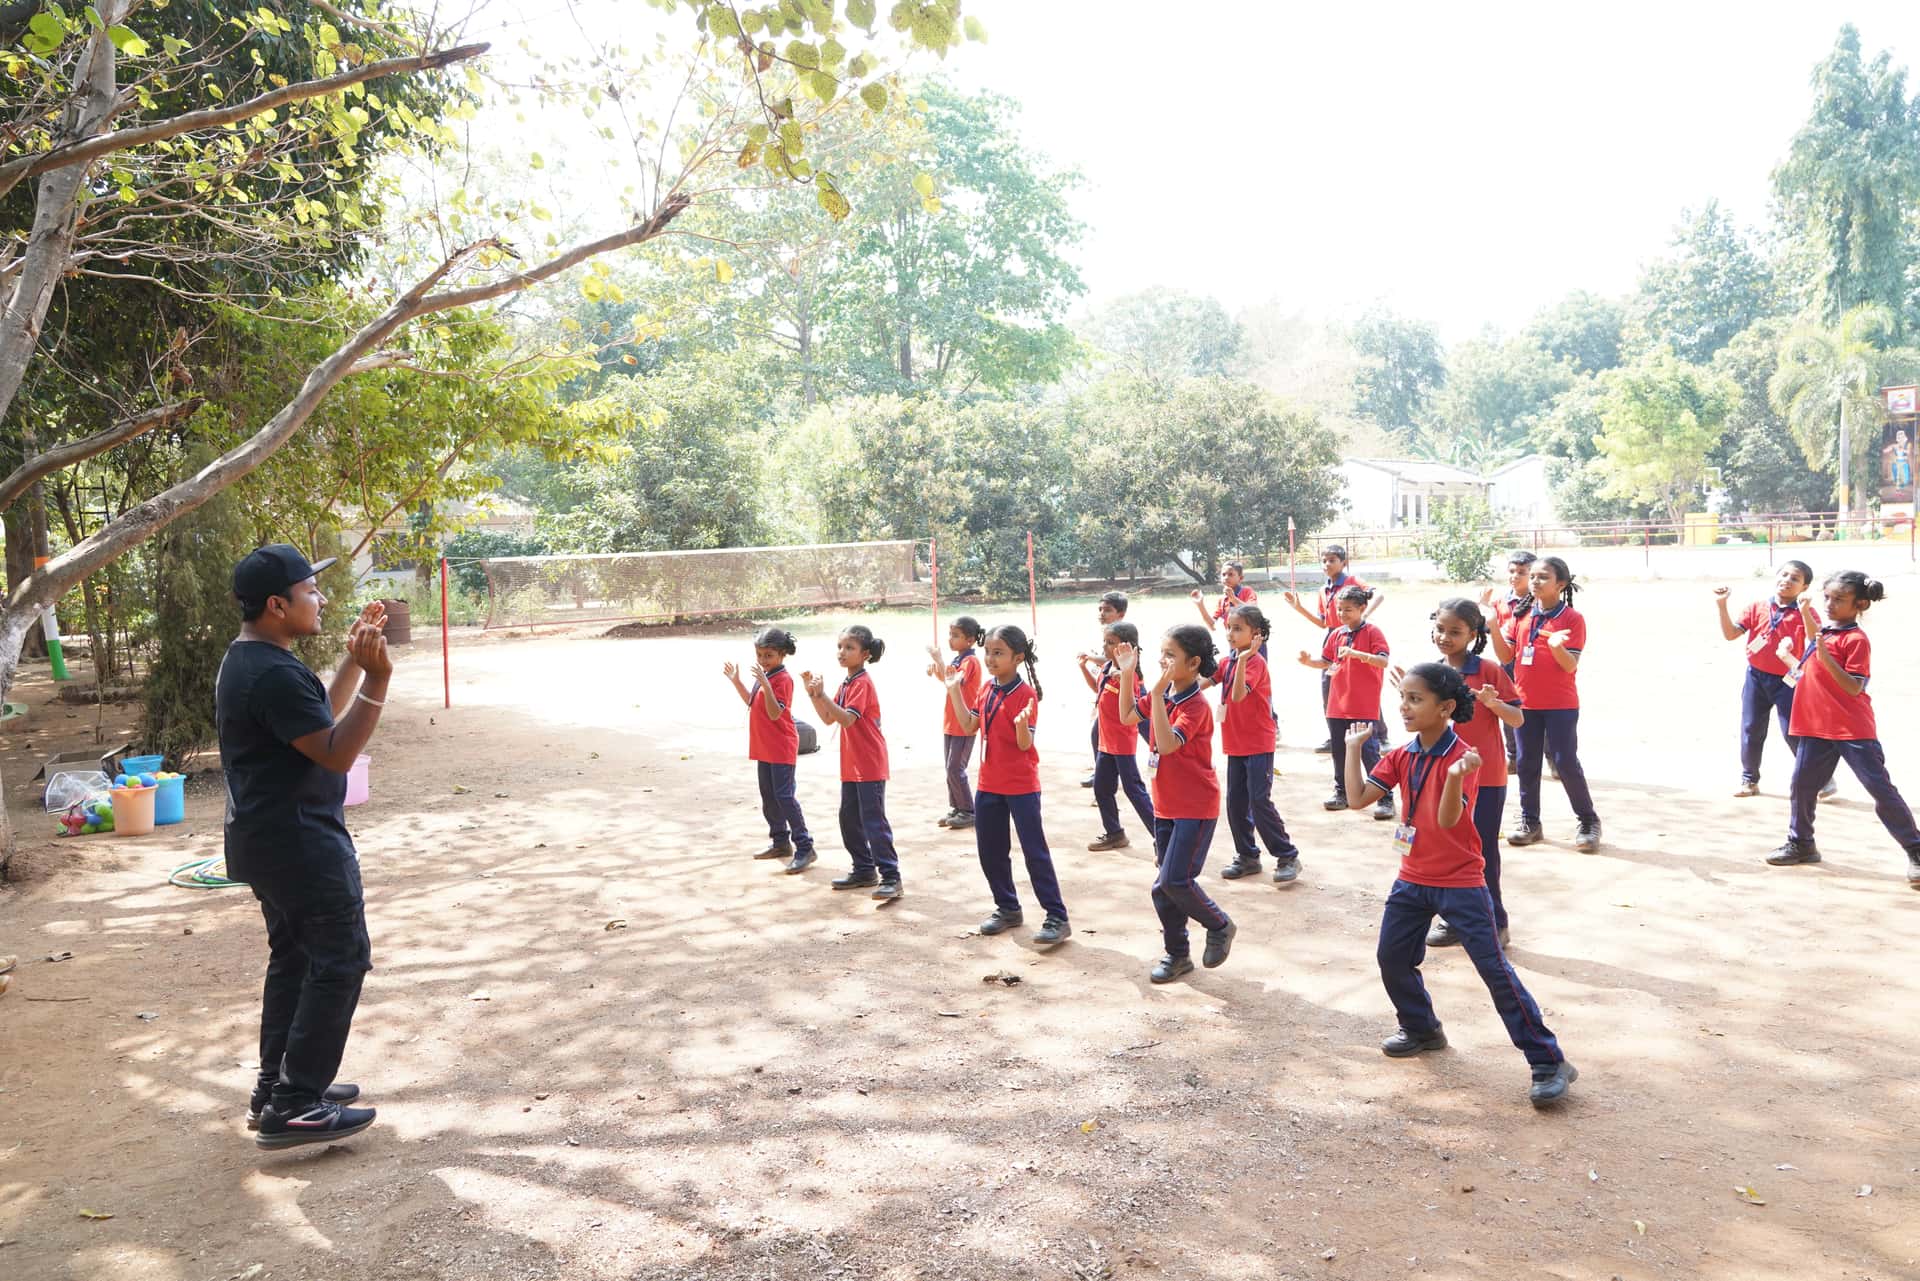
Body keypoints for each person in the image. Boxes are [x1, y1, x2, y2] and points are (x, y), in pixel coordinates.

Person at [1341, 663, 1578, 1108]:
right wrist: (1353, 749)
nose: (1405, 706)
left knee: (1494, 971)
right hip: (1412, 878)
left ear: (1445, 708)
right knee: (1392, 958)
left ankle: (1549, 1062)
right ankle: (1422, 1028)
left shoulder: (1464, 757)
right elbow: (1356, 799)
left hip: (1461, 882)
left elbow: (1450, 820)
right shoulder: (1401, 755)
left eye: (1416, 699)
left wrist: (1453, 779)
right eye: (1404, 697)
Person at [217, 544, 387, 1149]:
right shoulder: (272, 671)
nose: (321, 599)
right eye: (310, 591)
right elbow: (338, 753)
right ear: (276, 604)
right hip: (300, 844)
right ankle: (297, 1104)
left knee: (294, 959)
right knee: (340, 958)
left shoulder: (253, 660)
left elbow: (320, 720)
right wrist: (380, 678)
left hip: (266, 840)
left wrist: (353, 662)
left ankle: (276, 1088)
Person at [1764, 572, 1920, 890]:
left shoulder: (1856, 639)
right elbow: (1814, 642)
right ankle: (1802, 843)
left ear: (1859, 604)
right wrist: (1810, 619)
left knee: (1880, 789)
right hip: (1815, 726)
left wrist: (1824, 656)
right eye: (1828, 598)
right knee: (1802, 787)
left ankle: (1915, 850)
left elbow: (1853, 687)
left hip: (1852, 729)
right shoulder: (1825, 630)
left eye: (1839, 600)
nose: (1830, 604)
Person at [1398, 599, 1524, 948]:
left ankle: (1495, 921)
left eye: (1455, 631)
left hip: (1484, 778)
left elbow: (1517, 719)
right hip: (1441, 777)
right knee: (1444, 849)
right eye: (1440, 629)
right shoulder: (1430, 673)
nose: (1445, 637)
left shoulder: (1489, 670)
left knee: (1481, 850)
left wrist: (1492, 703)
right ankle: (1454, 920)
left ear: (1474, 634)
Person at [1119, 625, 1236, 983]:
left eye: (1171, 655)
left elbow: (1168, 745)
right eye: (1162, 653)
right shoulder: (1165, 693)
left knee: (1176, 880)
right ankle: (1177, 955)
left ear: (1194, 662)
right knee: (1163, 887)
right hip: (1165, 806)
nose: (1163, 660)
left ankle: (1219, 924)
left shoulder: (1195, 705)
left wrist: (1155, 697)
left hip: (1195, 807)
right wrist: (1127, 674)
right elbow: (1126, 716)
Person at [945, 625, 1071, 945]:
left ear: (1018, 657)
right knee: (990, 849)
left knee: (1034, 852)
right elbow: (970, 725)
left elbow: (1024, 743)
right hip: (989, 784)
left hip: (1021, 786)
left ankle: (1056, 916)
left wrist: (1021, 728)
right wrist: (953, 691)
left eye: (998, 653)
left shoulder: (1025, 695)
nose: (990, 658)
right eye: (987, 651)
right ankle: (1007, 907)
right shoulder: (987, 689)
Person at [1492, 556, 1600, 853]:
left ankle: (1588, 820)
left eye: (1543, 577)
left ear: (1560, 584)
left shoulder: (1572, 619)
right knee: (1526, 763)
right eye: (1534, 576)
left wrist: (1557, 648)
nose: (1535, 582)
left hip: (1560, 704)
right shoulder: (1520, 614)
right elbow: (1506, 657)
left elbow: (1570, 666)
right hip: (1525, 703)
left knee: (1565, 762)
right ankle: (1530, 821)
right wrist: (1491, 624)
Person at [1714, 564, 1835, 801]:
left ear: (1805, 587)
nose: (1787, 580)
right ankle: (1749, 779)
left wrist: (1805, 611)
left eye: (1795, 579)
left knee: (1793, 731)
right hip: (1756, 678)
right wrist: (1721, 605)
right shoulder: (1758, 607)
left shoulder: (1806, 611)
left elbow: (1815, 640)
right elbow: (1730, 634)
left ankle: (1821, 779)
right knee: (1751, 729)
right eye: (1784, 574)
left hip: (1789, 681)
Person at [801, 626, 901, 901]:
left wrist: (822, 696)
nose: (842, 653)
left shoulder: (862, 683)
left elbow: (847, 719)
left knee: (873, 821)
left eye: (849, 648)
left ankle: (891, 876)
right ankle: (864, 869)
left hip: (869, 763)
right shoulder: (847, 682)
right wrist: (813, 694)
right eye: (840, 647)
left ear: (865, 654)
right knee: (848, 818)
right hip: (852, 764)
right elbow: (827, 718)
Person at [1214, 604, 1303, 884]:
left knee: (1258, 800)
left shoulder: (1254, 664)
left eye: (1238, 628)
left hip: (1258, 743)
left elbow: (1239, 695)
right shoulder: (1227, 662)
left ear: (1256, 635)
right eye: (1229, 627)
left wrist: (1243, 659)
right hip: (1235, 743)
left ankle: (1287, 855)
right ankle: (1247, 856)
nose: (1230, 633)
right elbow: (1204, 681)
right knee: (1235, 802)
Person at [1298, 584, 1395, 820]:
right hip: (1337, 705)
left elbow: (1383, 662)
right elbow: (1326, 660)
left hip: (1363, 704)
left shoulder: (1373, 632)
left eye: (1348, 610)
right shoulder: (1336, 634)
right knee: (1339, 751)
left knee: (1369, 751)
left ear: (1362, 608)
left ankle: (1384, 797)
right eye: (1340, 610)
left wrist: (1357, 655)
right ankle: (1341, 791)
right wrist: (1309, 662)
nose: (1343, 615)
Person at [725, 626, 815, 874]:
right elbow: (752, 702)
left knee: (785, 797)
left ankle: (805, 847)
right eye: (760, 655)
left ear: (782, 654)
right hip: (764, 746)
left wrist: (765, 682)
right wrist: (737, 681)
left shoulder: (782, 679)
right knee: (769, 796)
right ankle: (780, 842)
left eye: (769, 655)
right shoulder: (765, 675)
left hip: (781, 746)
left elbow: (776, 713)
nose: (763, 660)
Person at [1282, 545, 1386, 751]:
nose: (1327, 564)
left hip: (1355, 635)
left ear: (1343, 563)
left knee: (1361, 685)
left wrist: (1361, 617)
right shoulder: (1324, 590)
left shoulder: (1352, 582)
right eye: (1324, 560)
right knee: (1330, 687)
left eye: (1332, 560)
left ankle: (1379, 735)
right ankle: (1335, 734)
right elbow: (1322, 622)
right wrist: (1299, 608)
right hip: (1334, 637)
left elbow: (1379, 595)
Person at [1085, 620, 1156, 851]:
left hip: (1122, 743)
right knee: (1101, 788)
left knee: (1134, 789)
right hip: (1106, 743)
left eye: (1111, 643)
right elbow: (1097, 688)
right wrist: (1084, 668)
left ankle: (1162, 836)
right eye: (1105, 642)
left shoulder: (1129, 676)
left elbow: (1134, 706)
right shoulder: (1107, 669)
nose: (1105, 648)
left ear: (1127, 647)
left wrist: (1123, 675)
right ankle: (1114, 833)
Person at [927, 616, 985, 830]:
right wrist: (937, 668)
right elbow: (947, 679)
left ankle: (968, 810)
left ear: (969, 640)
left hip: (964, 722)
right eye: (950, 635)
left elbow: (955, 681)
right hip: (951, 721)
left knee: (955, 767)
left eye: (956, 636)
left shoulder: (970, 661)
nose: (950, 639)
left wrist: (939, 660)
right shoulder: (959, 659)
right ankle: (957, 807)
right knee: (949, 767)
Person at [1479, 550, 1535, 768]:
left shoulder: (1539, 602)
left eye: (1522, 572)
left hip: (1533, 666)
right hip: (1508, 664)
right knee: (1509, 707)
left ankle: (1550, 758)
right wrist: (1480, 609)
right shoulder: (1501, 603)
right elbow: (1485, 628)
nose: (1515, 576)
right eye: (1512, 571)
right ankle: (1513, 755)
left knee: (1538, 711)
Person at [1082, 591, 1130, 787]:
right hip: (1109, 691)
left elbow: (1114, 659)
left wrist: (1091, 658)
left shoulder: (1123, 633)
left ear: (1121, 614)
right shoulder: (1106, 632)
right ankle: (1101, 774)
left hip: (1127, 691)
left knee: (1148, 730)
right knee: (1097, 733)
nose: (1102, 613)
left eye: (1107, 610)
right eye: (1100, 609)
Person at [1191, 562, 1265, 657]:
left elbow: (1254, 610)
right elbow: (1212, 625)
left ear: (1240, 578)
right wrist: (1200, 605)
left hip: (1252, 643)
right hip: (1234, 643)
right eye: (1223, 574)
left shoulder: (1247, 592)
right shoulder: (1222, 600)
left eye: (1230, 574)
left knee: (1253, 668)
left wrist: (1233, 599)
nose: (1226, 577)